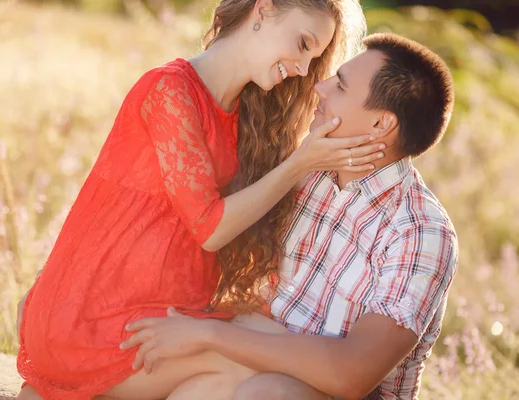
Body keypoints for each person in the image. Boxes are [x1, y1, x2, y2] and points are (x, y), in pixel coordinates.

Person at [15, 0, 376, 399]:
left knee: (275, 350)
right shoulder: (168, 89)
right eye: (303, 43)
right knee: (257, 363)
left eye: (314, 57)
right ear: (263, 10)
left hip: (161, 309)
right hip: (98, 316)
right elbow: (210, 228)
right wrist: (300, 163)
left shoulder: (248, 113)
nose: (304, 68)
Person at [121, 32, 458, 400]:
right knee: (132, 360)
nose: (321, 88)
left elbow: (352, 374)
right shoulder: (310, 170)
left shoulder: (420, 232)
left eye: (341, 87)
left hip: (319, 388)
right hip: (254, 352)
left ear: (381, 125)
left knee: (267, 392)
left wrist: (209, 334)